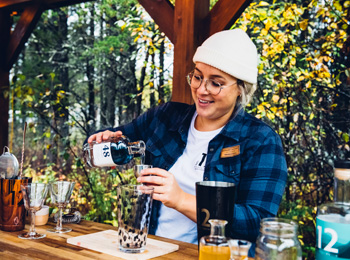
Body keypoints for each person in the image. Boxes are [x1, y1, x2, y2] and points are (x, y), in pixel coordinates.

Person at [87, 29, 287, 251]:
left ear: (240, 89)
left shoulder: (260, 140)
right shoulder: (165, 117)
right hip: (150, 251)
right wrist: (105, 138)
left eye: (216, 83)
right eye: (198, 76)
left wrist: (181, 200)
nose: (201, 90)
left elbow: (257, 223)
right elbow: (121, 137)